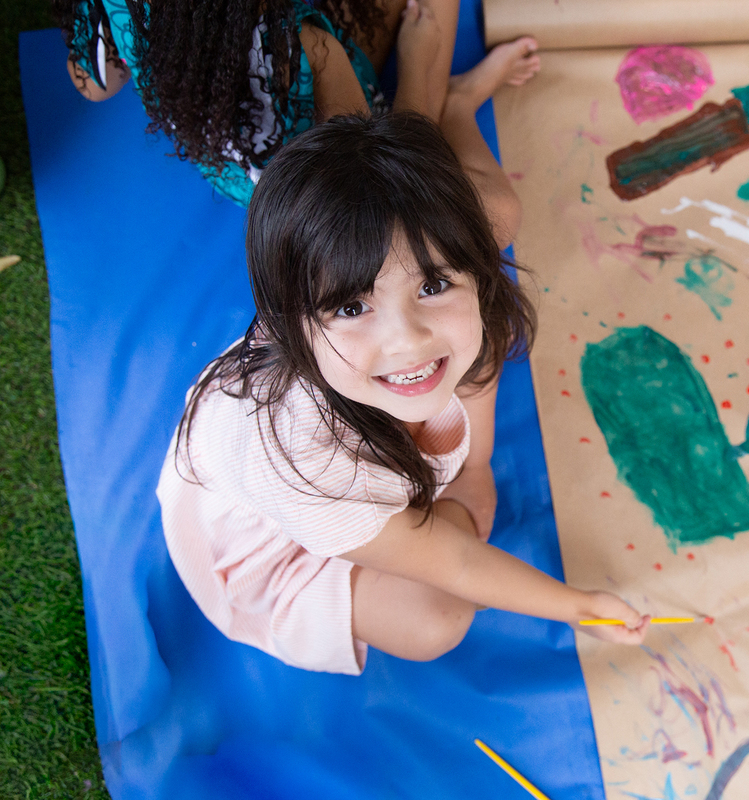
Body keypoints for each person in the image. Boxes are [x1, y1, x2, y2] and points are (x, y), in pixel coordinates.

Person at [156, 112, 650, 674]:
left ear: (476, 274)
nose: (408, 339)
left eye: (433, 285)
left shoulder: (457, 319)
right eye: (351, 307)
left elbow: (479, 360)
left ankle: (453, 104)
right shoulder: (293, 457)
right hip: (279, 543)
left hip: (363, 456)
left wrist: (475, 469)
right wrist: (579, 608)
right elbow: (457, 562)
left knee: (496, 233)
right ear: (293, 326)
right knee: (435, 620)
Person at [54, 0, 538, 208]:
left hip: (240, 173)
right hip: (342, 187)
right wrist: (418, 63)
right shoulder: (305, 47)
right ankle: (457, 103)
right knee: (430, 16)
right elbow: (382, 166)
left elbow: (95, 83)